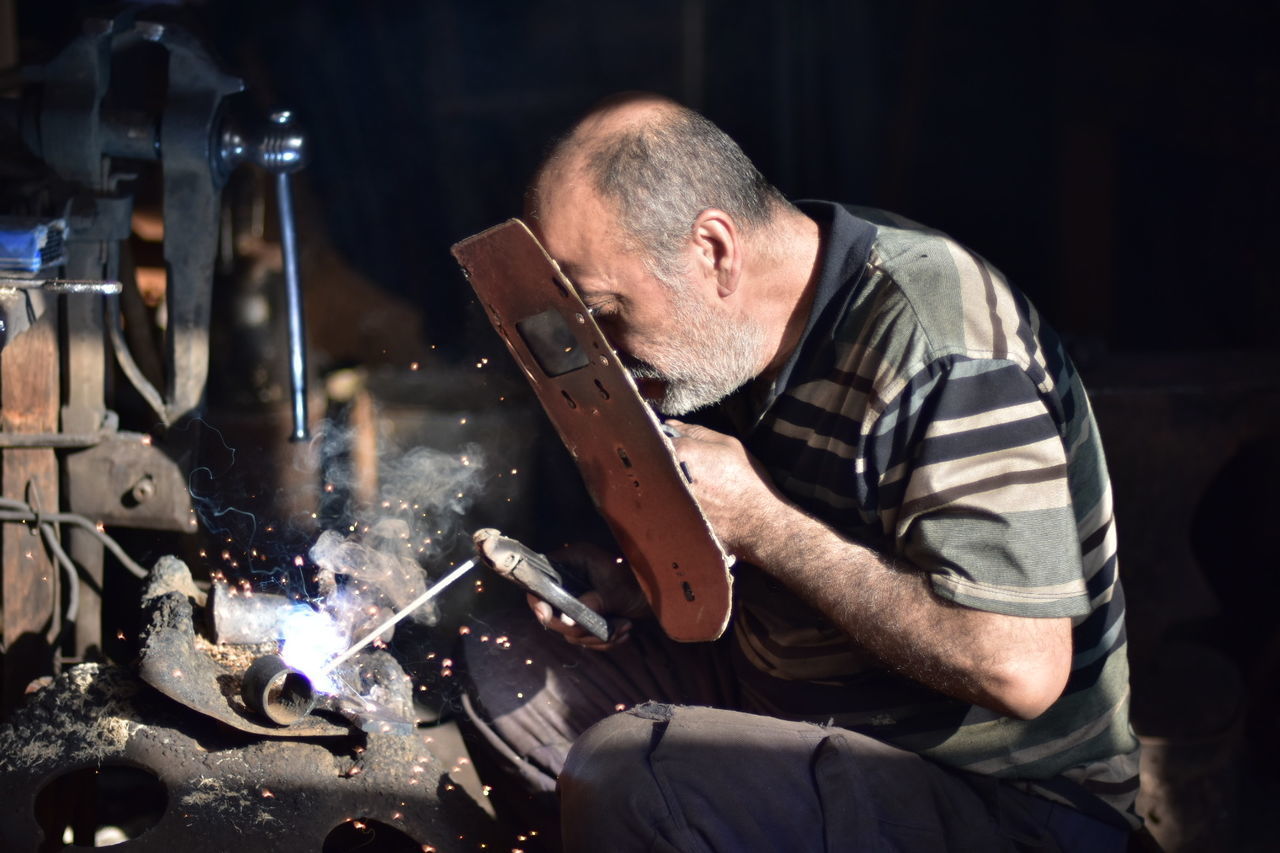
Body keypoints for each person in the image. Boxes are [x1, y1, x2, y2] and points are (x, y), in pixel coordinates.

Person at [462, 93, 1141, 852]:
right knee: (506, 673)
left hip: (1003, 802)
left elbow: (1017, 666)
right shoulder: (733, 327)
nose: (609, 348)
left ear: (715, 249)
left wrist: (762, 521)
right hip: (802, 715)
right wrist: (644, 584)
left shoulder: (940, 347)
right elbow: (778, 556)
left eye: (609, 311)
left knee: (636, 777)